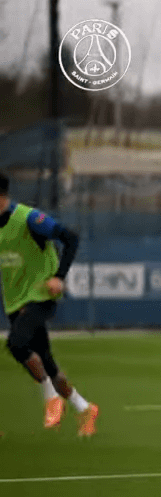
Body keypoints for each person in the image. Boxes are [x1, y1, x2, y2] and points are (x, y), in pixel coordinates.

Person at [0, 173, 98, 436]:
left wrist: (58, 277)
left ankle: (51, 399)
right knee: (48, 364)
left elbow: (71, 238)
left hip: (41, 296)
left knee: (16, 344)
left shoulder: (30, 219)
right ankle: (84, 407)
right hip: (15, 301)